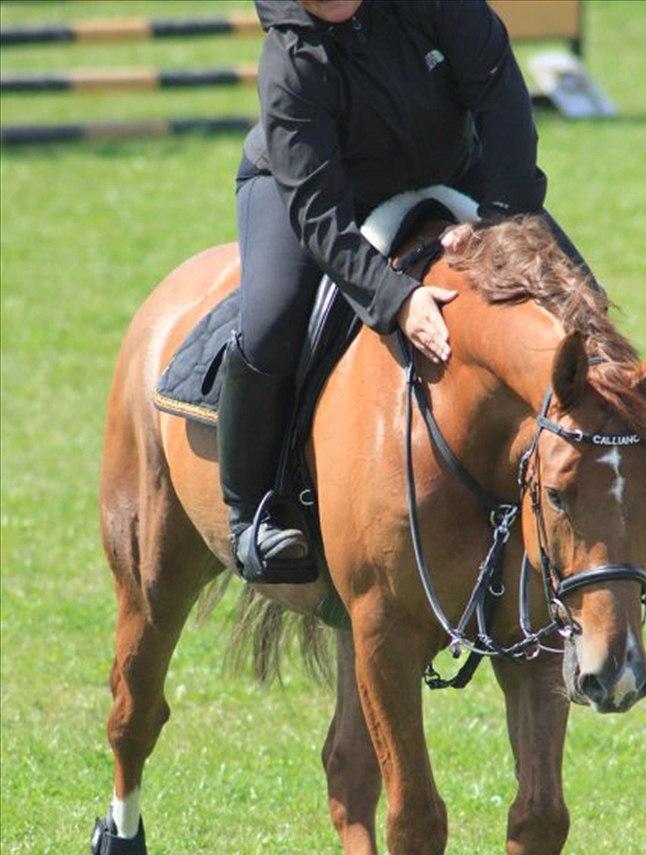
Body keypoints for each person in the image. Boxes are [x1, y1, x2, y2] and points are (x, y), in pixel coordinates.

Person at [218, 0, 589, 583]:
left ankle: (608, 466)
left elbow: (501, 98)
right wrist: (395, 298)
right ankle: (252, 512)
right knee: (271, 323)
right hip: (322, 192)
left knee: (580, 299)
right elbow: (318, 214)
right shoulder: (290, 62)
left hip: (453, 169)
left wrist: (499, 218)